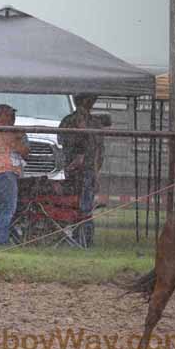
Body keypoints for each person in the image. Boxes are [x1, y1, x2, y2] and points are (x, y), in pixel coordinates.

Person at [58, 94, 104, 247]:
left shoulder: (95, 123)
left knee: (85, 207)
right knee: (74, 205)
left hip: (87, 171)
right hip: (73, 171)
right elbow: (62, 142)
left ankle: (84, 240)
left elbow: (98, 151)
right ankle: (77, 238)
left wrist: (96, 173)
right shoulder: (68, 121)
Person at [0, 104, 30, 245]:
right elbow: (24, 151)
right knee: (7, 208)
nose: (13, 119)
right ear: (0, 116)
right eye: (10, 116)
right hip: (4, 173)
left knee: (0, 208)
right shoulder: (7, 132)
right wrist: (21, 137)